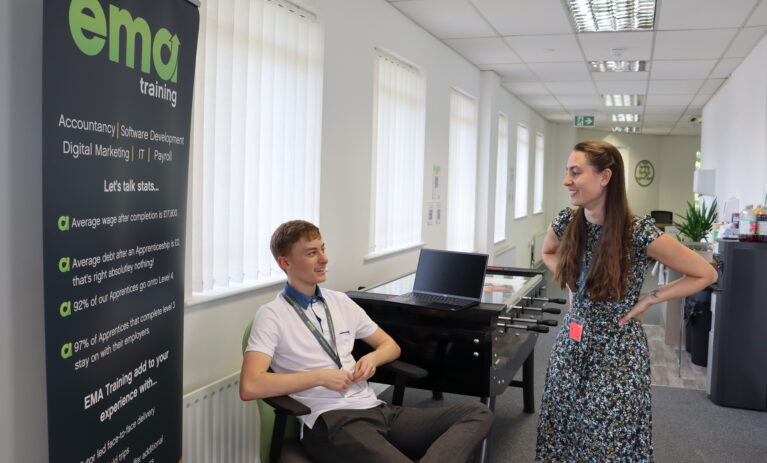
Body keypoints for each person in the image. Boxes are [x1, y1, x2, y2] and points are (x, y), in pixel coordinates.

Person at [240, 220, 493, 463]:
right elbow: (251, 385)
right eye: (311, 253)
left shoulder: (340, 301)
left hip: (378, 410)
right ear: (285, 262)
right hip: (333, 422)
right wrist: (320, 377)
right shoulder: (271, 315)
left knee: (477, 413)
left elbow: (391, 346)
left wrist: (372, 358)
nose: (324, 259)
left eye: (323, 249)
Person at [535, 141, 717, 462]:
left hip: (617, 352)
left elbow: (704, 273)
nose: (567, 180)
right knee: (562, 430)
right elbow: (548, 252)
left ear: (605, 177)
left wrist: (650, 298)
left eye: (576, 173)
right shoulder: (567, 220)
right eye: (567, 172)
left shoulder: (637, 232)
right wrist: (569, 278)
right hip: (571, 346)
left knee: (608, 439)